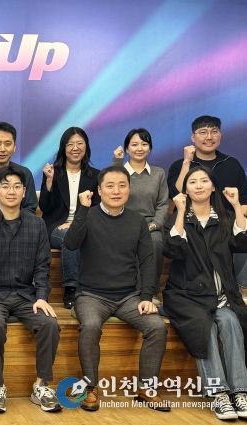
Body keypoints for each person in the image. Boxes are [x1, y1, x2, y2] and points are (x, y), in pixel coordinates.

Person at [64, 165, 169, 412]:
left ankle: (146, 389)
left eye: (122, 185)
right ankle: (90, 387)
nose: (116, 191)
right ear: (99, 190)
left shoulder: (137, 221)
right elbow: (70, 243)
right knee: (90, 325)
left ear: (129, 190)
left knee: (156, 326)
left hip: (128, 296)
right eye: (109, 186)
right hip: (91, 295)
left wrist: (147, 296)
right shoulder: (88, 215)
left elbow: (147, 260)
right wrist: (82, 209)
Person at [0, 166, 61, 413]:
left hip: (24, 295)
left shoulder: (36, 224)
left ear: (24, 192)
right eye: (5, 186)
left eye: (17, 186)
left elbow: (42, 266)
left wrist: (41, 297)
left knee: (49, 323)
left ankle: (41, 385)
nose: (11, 191)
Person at [163, 166, 247, 421]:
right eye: (193, 182)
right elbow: (173, 249)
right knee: (204, 325)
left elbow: (242, 242)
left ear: (213, 187)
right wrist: (180, 212)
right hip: (186, 296)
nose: (198, 185)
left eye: (204, 181)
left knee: (230, 320)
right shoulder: (178, 219)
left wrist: (236, 206)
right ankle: (218, 393)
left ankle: (240, 391)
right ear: (186, 190)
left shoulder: (224, 219)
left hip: (220, 297)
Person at [166, 115, 247, 287]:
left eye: (214, 132)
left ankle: (241, 288)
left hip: (227, 226)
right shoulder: (179, 165)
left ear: (220, 135)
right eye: (203, 132)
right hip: (192, 225)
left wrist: (230, 219)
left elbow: (245, 202)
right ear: (193, 137)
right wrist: (187, 162)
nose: (209, 137)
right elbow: (176, 194)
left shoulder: (232, 164)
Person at [39, 127, 100, 309]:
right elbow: (45, 207)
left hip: (85, 225)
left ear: (86, 147)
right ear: (63, 148)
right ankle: (71, 288)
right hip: (57, 227)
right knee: (70, 237)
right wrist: (49, 182)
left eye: (79, 143)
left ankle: (98, 290)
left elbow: (97, 208)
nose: (75, 148)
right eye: (70, 144)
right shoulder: (53, 172)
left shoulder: (95, 175)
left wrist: (77, 222)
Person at [112, 128, 169, 289]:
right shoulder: (120, 171)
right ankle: (125, 291)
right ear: (127, 149)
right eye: (134, 144)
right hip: (122, 222)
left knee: (155, 242)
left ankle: (150, 291)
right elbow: (111, 195)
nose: (139, 148)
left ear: (150, 148)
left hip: (150, 224)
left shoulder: (158, 173)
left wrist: (154, 224)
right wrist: (117, 163)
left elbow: (163, 204)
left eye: (144, 144)